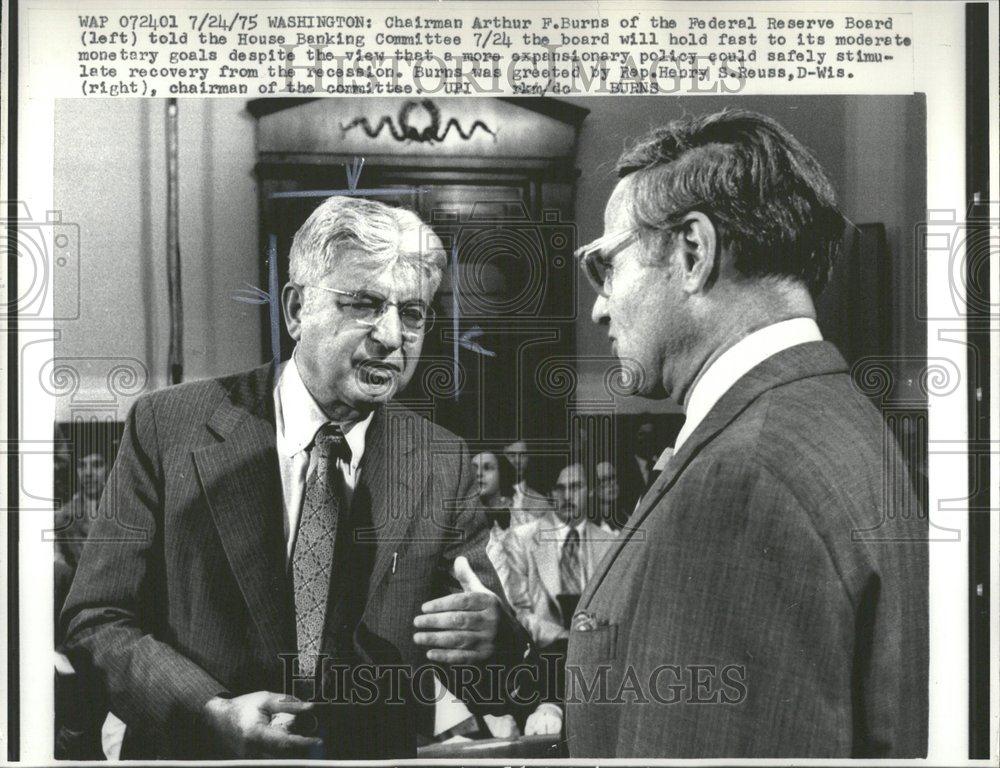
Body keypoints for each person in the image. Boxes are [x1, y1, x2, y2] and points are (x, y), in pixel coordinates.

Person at [61, 196, 533, 760]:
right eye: (364, 304)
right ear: (295, 310)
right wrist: (210, 711)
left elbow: (487, 674)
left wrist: (497, 642)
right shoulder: (169, 427)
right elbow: (98, 618)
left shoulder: (441, 461)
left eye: (412, 314)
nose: (391, 337)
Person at [566, 110, 927, 758]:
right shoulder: (835, 419)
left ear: (692, 253)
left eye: (605, 269)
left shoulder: (742, 478)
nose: (598, 306)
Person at [505, 461, 618, 738]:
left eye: (576, 487)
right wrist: (564, 636)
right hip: (541, 658)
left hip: (596, 660)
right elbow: (518, 611)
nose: (567, 495)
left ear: (590, 492)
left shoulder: (611, 542)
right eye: (560, 488)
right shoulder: (522, 538)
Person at [503, 440, 551, 526]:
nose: (517, 461)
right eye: (512, 455)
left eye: (523, 455)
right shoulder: (491, 498)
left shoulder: (541, 503)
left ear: (528, 458)